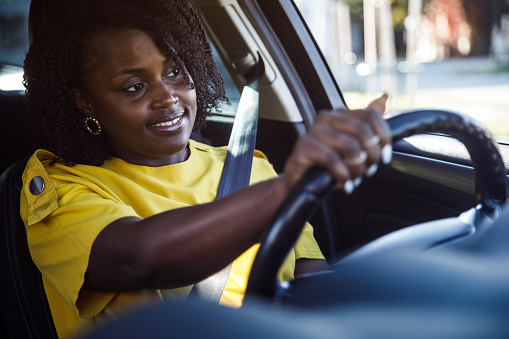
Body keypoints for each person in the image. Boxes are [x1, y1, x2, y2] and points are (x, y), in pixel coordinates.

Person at [21, 0, 391, 338]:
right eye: (134, 86)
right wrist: (287, 189)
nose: (167, 96)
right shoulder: (61, 186)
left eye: (176, 72)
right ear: (86, 102)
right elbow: (138, 260)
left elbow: (313, 282)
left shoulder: (252, 168)